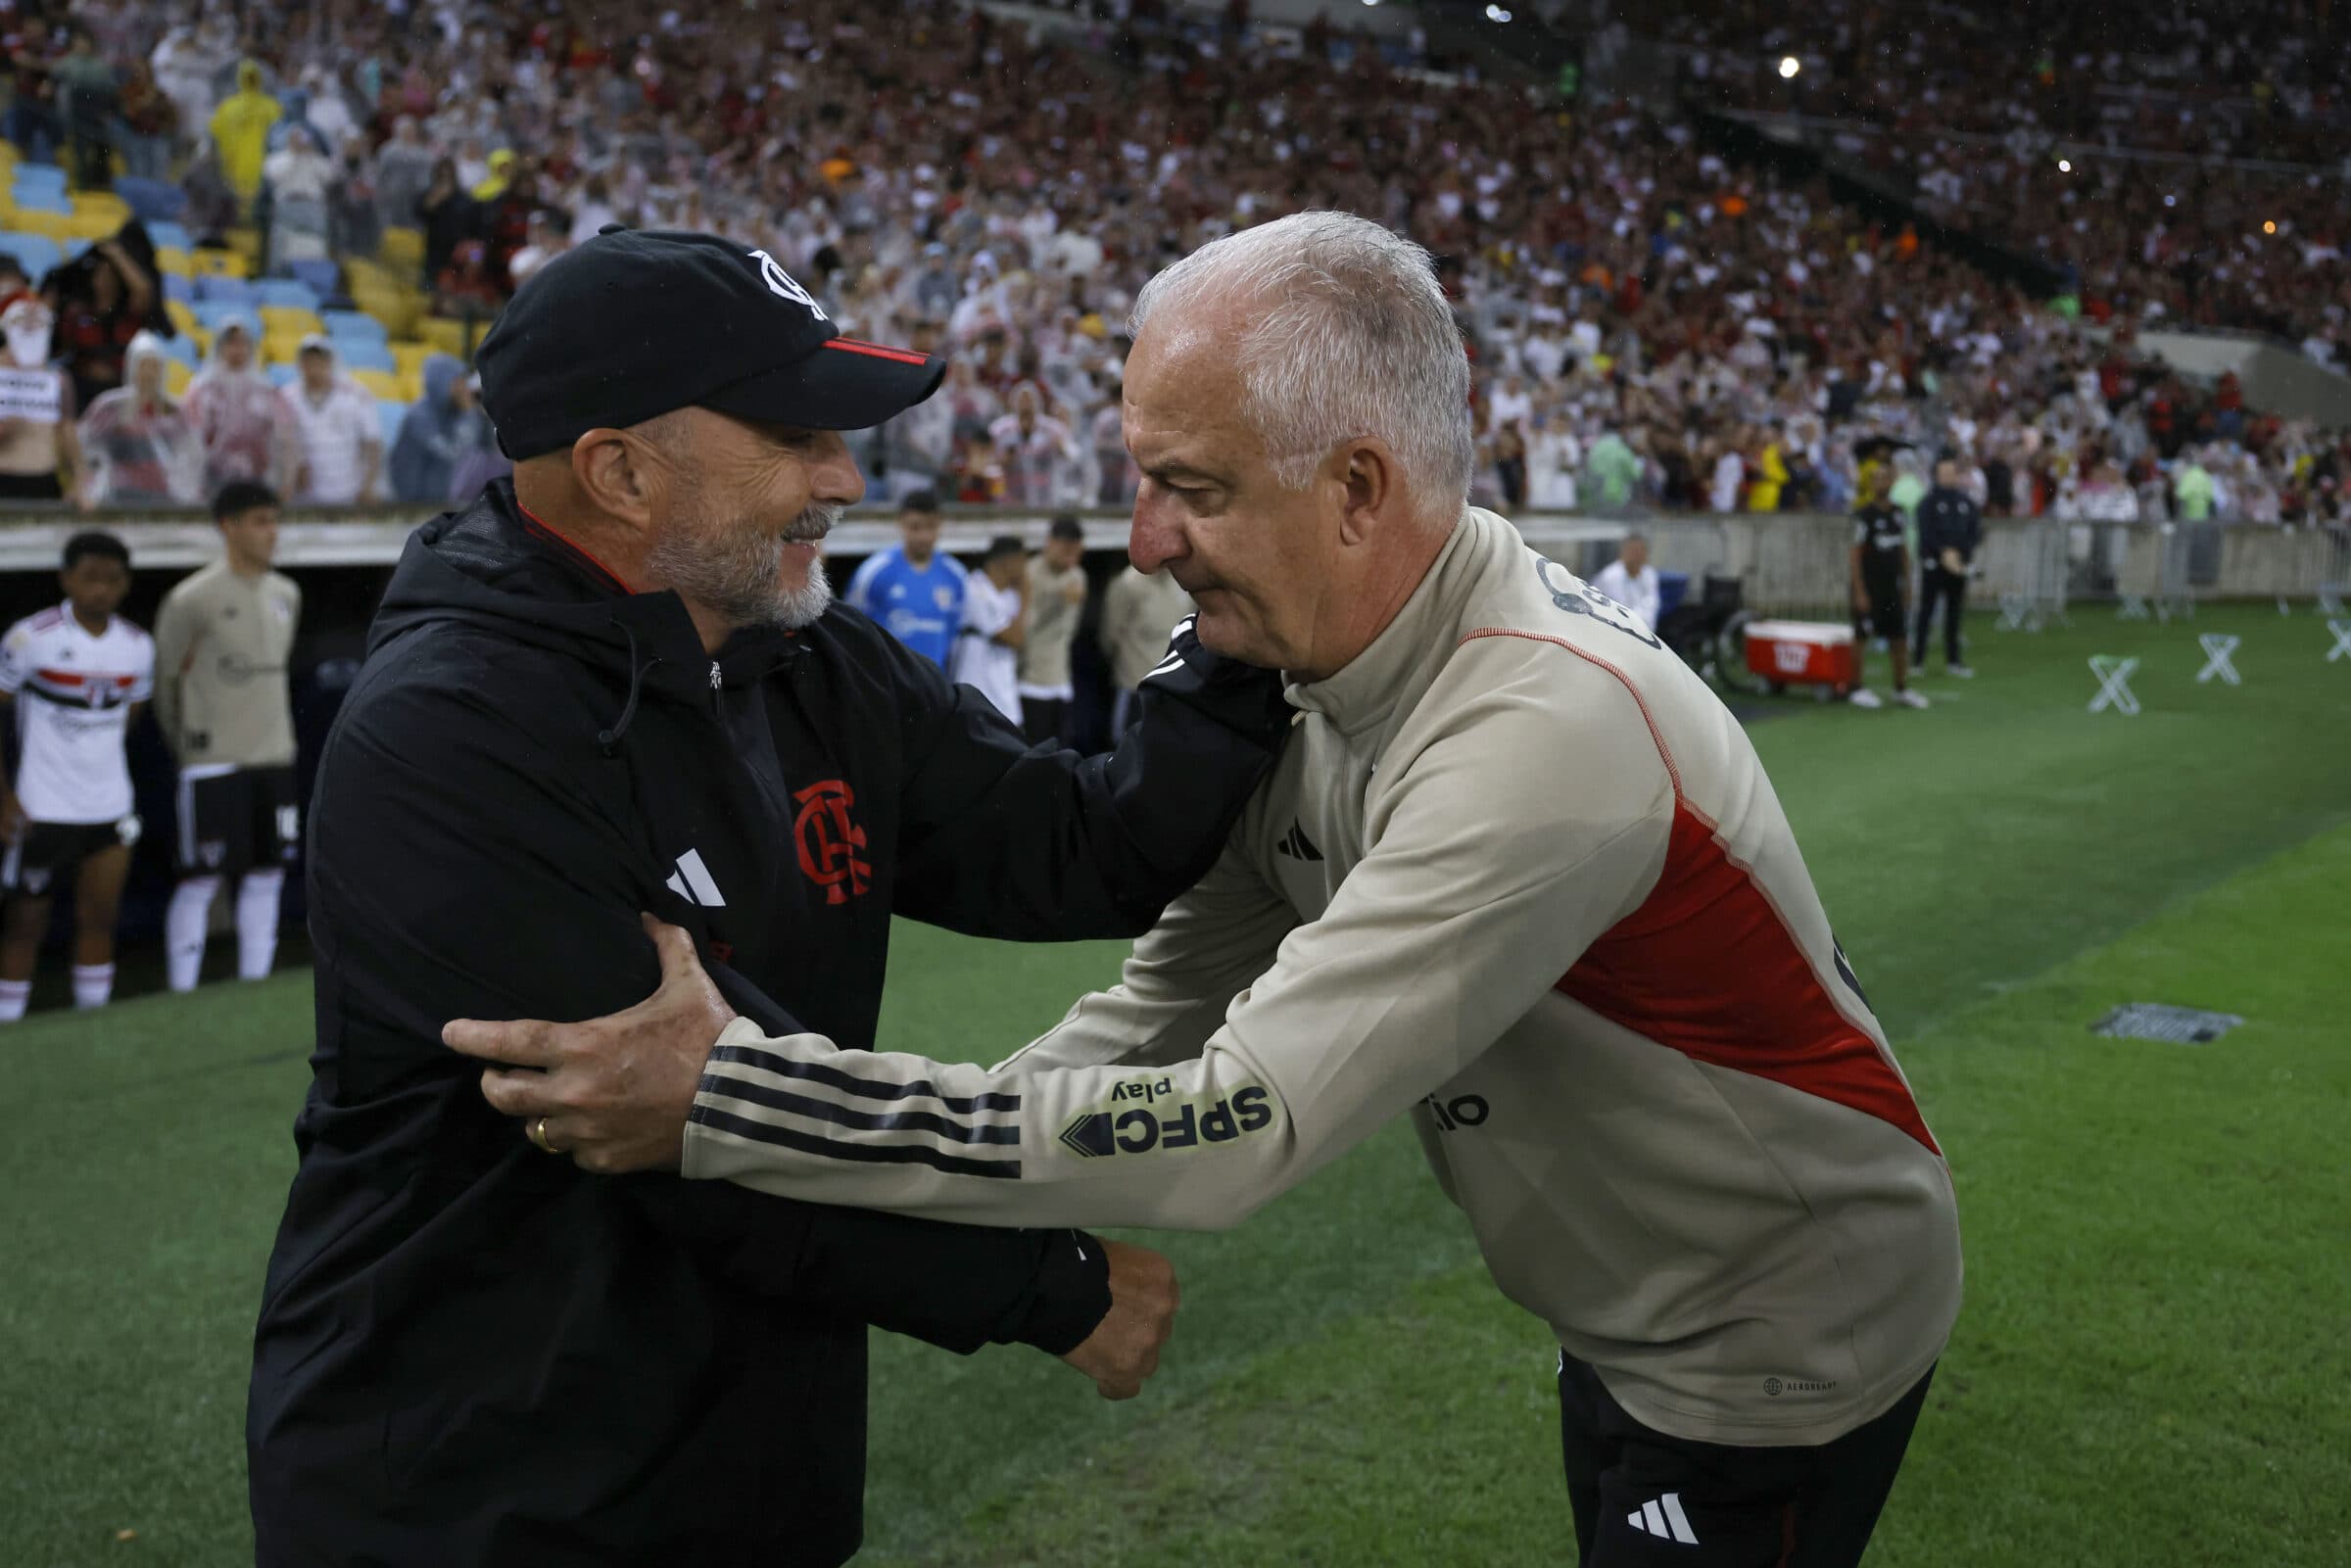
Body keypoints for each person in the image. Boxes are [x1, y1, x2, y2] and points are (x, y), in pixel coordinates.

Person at [450, 213, 1961, 1568]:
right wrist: (986, 1231)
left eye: (1190, 491)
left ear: (1358, 489)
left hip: (1781, 1329)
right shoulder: (1309, 663)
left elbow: (1243, 1119)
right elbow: (1164, 1003)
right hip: (1635, 1308)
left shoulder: (1543, 730)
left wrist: (736, 1098)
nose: (1147, 543)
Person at [246, 226, 1294, 1568]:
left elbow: (1077, 840)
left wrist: (1239, 633)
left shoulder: (806, 655)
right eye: (797, 435)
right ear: (619, 472)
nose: (844, 478)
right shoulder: (447, 736)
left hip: (749, 1469)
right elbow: (701, 1130)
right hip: (478, 1490)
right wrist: (1051, 1283)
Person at [153, 481, 301, 992]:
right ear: (228, 526)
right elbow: (165, 683)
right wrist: (191, 745)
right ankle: (183, 993)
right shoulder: (191, 599)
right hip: (213, 758)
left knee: (269, 872)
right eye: (260, 520)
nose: (272, 531)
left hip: (275, 755)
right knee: (200, 878)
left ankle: (255, 984)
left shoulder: (288, 594)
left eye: (275, 520)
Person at [0, 533, 153, 1022]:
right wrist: (4, 796)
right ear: (66, 578)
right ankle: (10, 1027)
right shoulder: (31, 638)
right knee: (25, 921)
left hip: (108, 804)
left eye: (112, 580)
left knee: (100, 917)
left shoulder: (137, 646)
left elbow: (132, 716)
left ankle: (92, 1025)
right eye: (90, 578)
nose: (101, 590)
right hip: (41, 804)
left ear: (126, 584)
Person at [75, 331, 202, 505]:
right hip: (118, 494)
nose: (149, 373)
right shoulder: (110, 406)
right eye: (143, 365)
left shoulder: (174, 410)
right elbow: (87, 447)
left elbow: (190, 454)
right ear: (132, 367)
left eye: (154, 366)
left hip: (164, 494)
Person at [843, 489, 966, 669]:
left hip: (936, 688)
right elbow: (851, 629)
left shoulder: (956, 575)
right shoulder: (874, 572)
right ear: (900, 523)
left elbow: (956, 640)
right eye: (915, 527)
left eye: (930, 526)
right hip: (888, 687)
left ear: (940, 524)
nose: (923, 536)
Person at [181, 315, 292, 495]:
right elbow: (191, 439)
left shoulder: (267, 390)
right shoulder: (201, 389)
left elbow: (283, 438)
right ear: (220, 348)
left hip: (257, 479)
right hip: (213, 478)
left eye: (242, 344)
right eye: (231, 343)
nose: (237, 350)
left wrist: (283, 480)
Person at [1850, 465, 1926, 709]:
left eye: (1885, 478)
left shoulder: (1899, 513)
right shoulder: (1864, 515)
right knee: (1861, 636)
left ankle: (1901, 688)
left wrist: (1908, 583)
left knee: (1899, 637)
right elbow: (1854, 553)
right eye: (1876, 479)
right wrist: (1859, 590)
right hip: (1870, 585)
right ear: (1871, 484)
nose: (1881, 482)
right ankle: (1857, 688)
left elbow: (1903, 549)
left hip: (1892, 586)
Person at [0, 297, 86, 504]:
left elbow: (68, 433)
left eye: (37, 321)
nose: (29, 326)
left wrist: (80, 483)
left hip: (43, 479)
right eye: (21, 320)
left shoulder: (57, 379)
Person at [1099, 559, 1194, 739]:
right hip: (1135, 687)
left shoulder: (1184, 582)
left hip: (1173, 690)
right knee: (1124, 749)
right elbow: (1109, 636)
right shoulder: (1127, 584)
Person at [284, 336, 383, 505]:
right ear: (300, 364)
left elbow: (373, 443)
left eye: (319, 360)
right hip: (305, 496)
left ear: (330, 362)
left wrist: (368, 485)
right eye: (308, 361)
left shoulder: (357, 395)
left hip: (350, 492)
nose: (314, 367)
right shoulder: (287, 397)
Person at [1017, 514, 1088, 745]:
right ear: (1049, 542)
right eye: (1066, 550)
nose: (1071, 558)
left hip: (1062, 680)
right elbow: (1024, 627)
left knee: (1062, 750)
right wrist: (1057, 599)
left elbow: (1072, 630)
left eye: (1076, 552)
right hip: (1031, 680)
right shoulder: (1027, 574)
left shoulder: (1078, 576)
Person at [387, 353, 492, 503]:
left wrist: (484, 417)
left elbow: (489, 451)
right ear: (441, 384)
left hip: (454, 507)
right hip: (416, 508)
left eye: (464, 381)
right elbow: (450, 453)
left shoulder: (467, 414)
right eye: (458, 382)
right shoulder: (419, 416)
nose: (464, 388)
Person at [1911, 459, 1981, 679]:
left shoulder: (1965, 502)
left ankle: (1954, 661)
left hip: (1957, 566)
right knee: (1926, 612)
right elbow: (1926, 532)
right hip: (1934, 565)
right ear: (1937, 475)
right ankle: (1917, 661)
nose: (1949, 476)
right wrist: (1943, 552)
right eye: (1944, 472)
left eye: (1952, 472)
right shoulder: (1928, 502)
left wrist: (1960, 554)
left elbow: (1975, 531)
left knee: (1954, 614)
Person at [950, 534, 1028, 724]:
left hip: (1005, 693)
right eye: (1022, 561)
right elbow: (1013, 638)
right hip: (976, 692)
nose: (1025, 569)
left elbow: (1021, 640)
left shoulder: (1011, 595)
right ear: (1009, 562)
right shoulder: (975, 587)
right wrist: (1027, 596)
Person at [209, 58, 280, 213]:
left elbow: (215, 132)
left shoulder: (229, 106)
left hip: (253, 161)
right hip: (243, 161)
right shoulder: (271, 107)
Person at [1591, 531, 1661, 632]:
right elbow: (1618, 610)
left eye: (1641, 551)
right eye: (1633, 551)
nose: (1637, 555)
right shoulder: (1609, 577)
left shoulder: (1650, 575)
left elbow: (1652, 607)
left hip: (1645, 633)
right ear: (1623, 552)